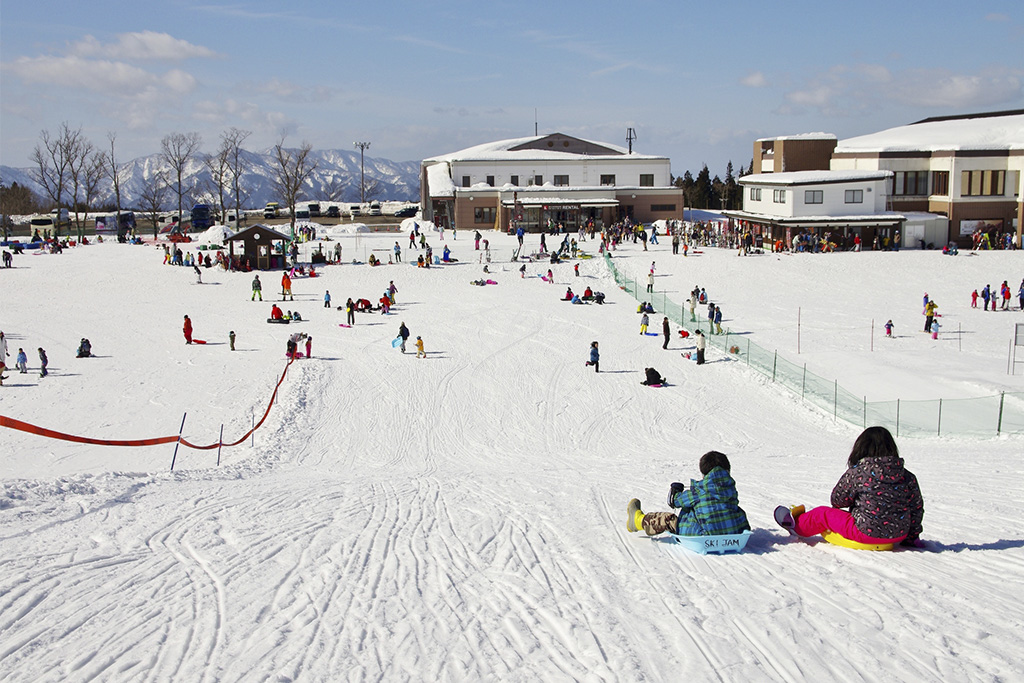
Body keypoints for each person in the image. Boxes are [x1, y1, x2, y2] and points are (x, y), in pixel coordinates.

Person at [775, 426, 924, 547]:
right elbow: (916, 508)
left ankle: (797, 526)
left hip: (865, 532)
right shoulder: (907, 476)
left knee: (822, 514)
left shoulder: (858, 472)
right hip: (900, 534)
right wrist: (912, 537)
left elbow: (837, 500)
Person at [627, 451, 750, 537]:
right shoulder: (731, 489)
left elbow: (675, 501)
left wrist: (675, 492)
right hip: (733, 534)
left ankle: (637, 520)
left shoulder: (699, 491)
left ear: (704, 474)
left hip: (701, 536)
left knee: (670, 519)